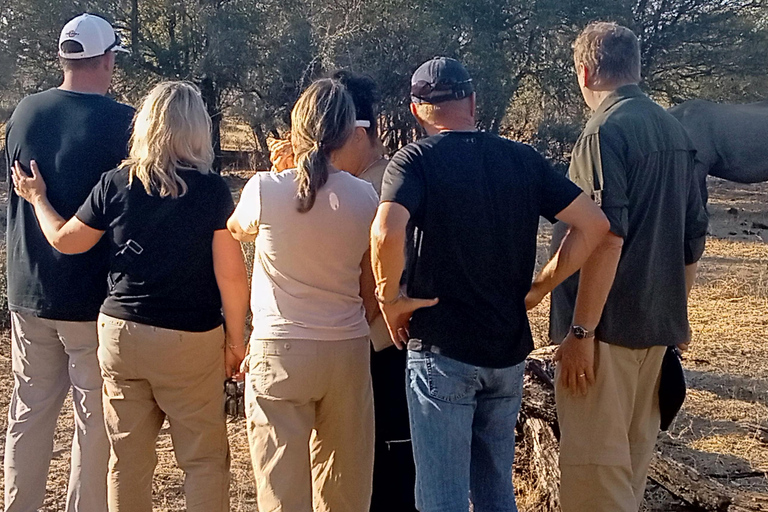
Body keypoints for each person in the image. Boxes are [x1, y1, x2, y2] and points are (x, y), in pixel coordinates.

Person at [371, 56, 609, 512]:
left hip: (442, 351)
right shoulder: (521, 158)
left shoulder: (415, 160)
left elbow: (385, 231)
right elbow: (594, 225)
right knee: (496, 492)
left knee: (441, 498)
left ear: (417, 109)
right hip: (506, 353)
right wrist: (542, 284)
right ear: (473, 102)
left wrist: (391, 299)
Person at [11, 81, 249, 512]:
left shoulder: (116, 182)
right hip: (190, 340)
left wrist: (38, 199)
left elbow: (66, 241)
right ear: (196, 130)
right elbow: (231, 277)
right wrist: (236, 342)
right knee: (203, 460)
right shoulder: (212, 191)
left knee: (127, 460)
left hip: (121, 334)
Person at [539, 22, 709, 512]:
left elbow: (606, 236)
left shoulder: (603, 132)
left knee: (596, 478)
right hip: (657, 330)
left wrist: (581, 332)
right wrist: (676, 315)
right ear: (635, 68)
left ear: (585, 70)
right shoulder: (674, 128)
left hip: (605, 336)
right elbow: (693, 238)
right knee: (629, 477)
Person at [266, 69, 417, 511]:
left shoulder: (380, 184)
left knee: (381, 472)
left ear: (356, 132)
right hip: (347, 343)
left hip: (380, 344)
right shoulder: (352, 183)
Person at [227, 79, 379, 512]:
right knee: (345, 488)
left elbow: (237, 228)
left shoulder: (265, 189)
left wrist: (284, 170)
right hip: (346, 349)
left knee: (281, 490)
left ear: (296, 131)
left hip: (281, 349)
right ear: (348, 130)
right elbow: (370, 282)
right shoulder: (364, 196)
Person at [3, 13, 133, 512]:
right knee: (93, 420)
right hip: (91, 297)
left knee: (29, 411)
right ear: (106, 60)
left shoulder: (24, 113)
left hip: (28, 286)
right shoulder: (123, 124)